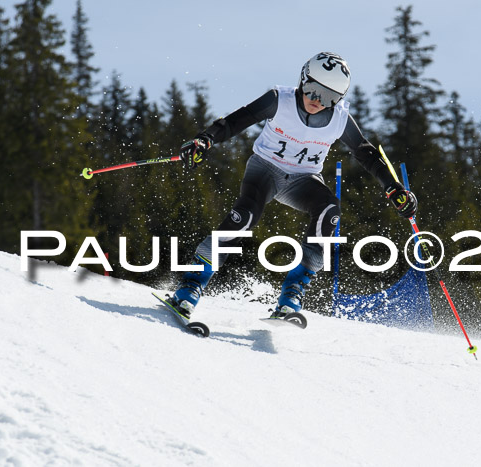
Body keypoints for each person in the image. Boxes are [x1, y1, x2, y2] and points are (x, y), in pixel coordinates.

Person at [170, 52, 418, 319]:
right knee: (245, 218)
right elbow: (234, 122)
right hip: (264, 169)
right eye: (312, 90)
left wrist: (393, 187)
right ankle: (191, 286)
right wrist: (205, 139)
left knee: (329, 210)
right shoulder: (280, 100)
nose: (316, 101)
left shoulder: (340, 119)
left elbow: (365, 153)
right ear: (302, 79)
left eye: (328, 97)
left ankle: (292, 293)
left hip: (303, 179)